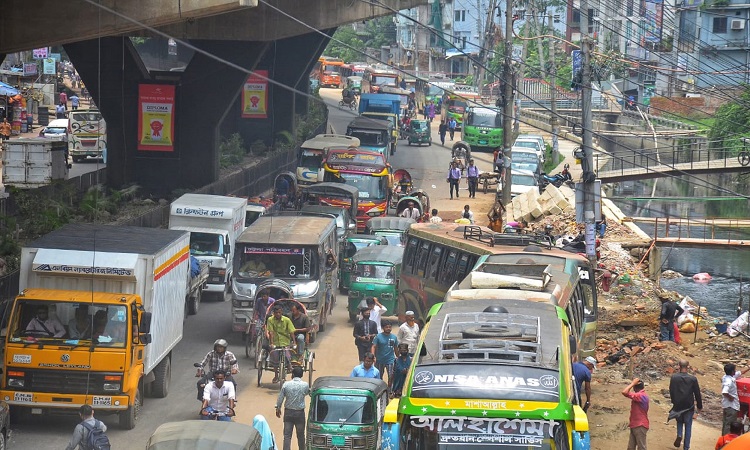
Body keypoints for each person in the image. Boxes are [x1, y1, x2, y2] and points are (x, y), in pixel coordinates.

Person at [668, 360, 703, 450]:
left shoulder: (674, 377)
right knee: (688, 426)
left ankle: (679, 434)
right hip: (689, 406)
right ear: (688, 366)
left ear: (679, 366)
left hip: (678, 405)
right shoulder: (692, 379)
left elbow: (671, 391)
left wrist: (674, 402)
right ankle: (686, 447)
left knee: (679, 421)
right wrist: (699, 406)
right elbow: (697, 393)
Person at [275, 366, 309, 450]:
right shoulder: (305, 385)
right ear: (301, 375)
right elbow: (308, 393)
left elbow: (280, 398)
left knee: (287, 436)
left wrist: (278, 408)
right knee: (301, 435)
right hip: (300, 414)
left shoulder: (286, 384)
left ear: (293, 374)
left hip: (288, 413)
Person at [266, 306, 296, 383]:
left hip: (285, 341)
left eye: (279, 312)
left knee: (287, 355)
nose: (278, 314)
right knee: (275, 358)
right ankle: (276, 375)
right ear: (274, 313)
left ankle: (289, 365)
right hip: (275, 342)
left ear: (281, 312)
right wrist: (272, 343)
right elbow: (271, 332)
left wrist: (294, 342)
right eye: (276, 313)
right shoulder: (270, 320)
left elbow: (291, 331)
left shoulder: (287, 320)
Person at [721, 363, 750, 434]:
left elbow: (740, 373)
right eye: (734, 370)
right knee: (729, 424)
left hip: (726, 405)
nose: (735, 371)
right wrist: (731, 397)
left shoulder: (726, 377)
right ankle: (726, 441)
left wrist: (748, 368)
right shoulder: (729, 381)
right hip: (731, 406)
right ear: (732, 372)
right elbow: (724, 391)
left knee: (725, 423)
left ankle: (723, 439)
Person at [621, 378, 649, 450]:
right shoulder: (642, 395)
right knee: (631, 447)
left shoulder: (641, 396)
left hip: (640, 425)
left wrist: (632, 383)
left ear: (634, 388)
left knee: (641, 447)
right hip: (635, 424)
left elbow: (624, 392)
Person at [372, 321, 398, 389]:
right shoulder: (378, 336)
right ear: (383, 328)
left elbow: (396, 348)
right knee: (379, 376)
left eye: (390, 327)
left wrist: (398, 357)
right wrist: (373, 356)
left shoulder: (394, 337)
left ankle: (390, 390)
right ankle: (380, 389)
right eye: (386, 327)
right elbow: (373, 346)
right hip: (379, 360)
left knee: (391, 376)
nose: (388, 328)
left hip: (390, 360)